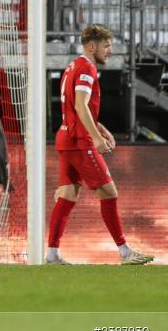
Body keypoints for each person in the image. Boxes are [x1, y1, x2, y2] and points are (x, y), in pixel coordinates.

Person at [47, 25, 153, 265]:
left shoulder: (72, 66)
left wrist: (102, 129)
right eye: (106, 46)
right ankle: (125, 252)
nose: (110, 51)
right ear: (92, 46)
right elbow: (81, 106)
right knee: (109, 193)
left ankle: (52, 254)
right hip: (79, 141)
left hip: (65, 137)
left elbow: (77, 106)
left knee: (67, 196)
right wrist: (95, 137)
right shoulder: (87, 68)